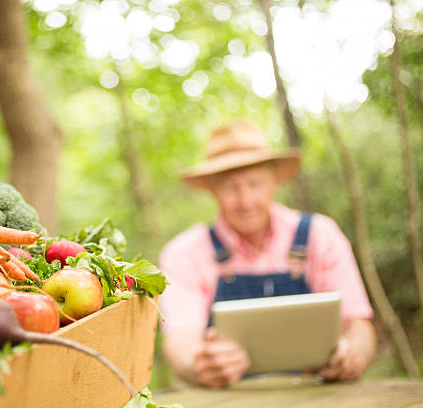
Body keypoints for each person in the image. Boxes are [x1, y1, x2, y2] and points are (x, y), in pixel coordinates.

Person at [158, 121, 376, 388]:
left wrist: (354, 353)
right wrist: (197, 365)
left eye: (255, 183)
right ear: (212, 189)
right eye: (230, 187)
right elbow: (180, 340)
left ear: (274, 180)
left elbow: (358, 325)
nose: (245, 200)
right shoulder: (184, 253)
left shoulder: (320, 235)